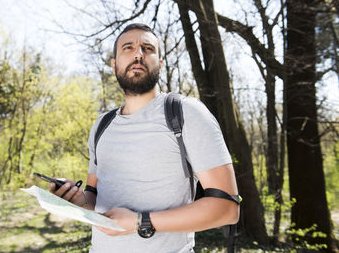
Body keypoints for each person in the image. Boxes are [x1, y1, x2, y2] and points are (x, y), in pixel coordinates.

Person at [50, 23, 239, 253]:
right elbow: (93, 196)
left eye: (148, 48)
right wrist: (76, 200)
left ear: (159, 63)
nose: (138, 54)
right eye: (128, 48)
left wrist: (141, 222)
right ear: (114, 65)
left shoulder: (187, 113)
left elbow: (227, 208)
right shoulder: (101, 126)